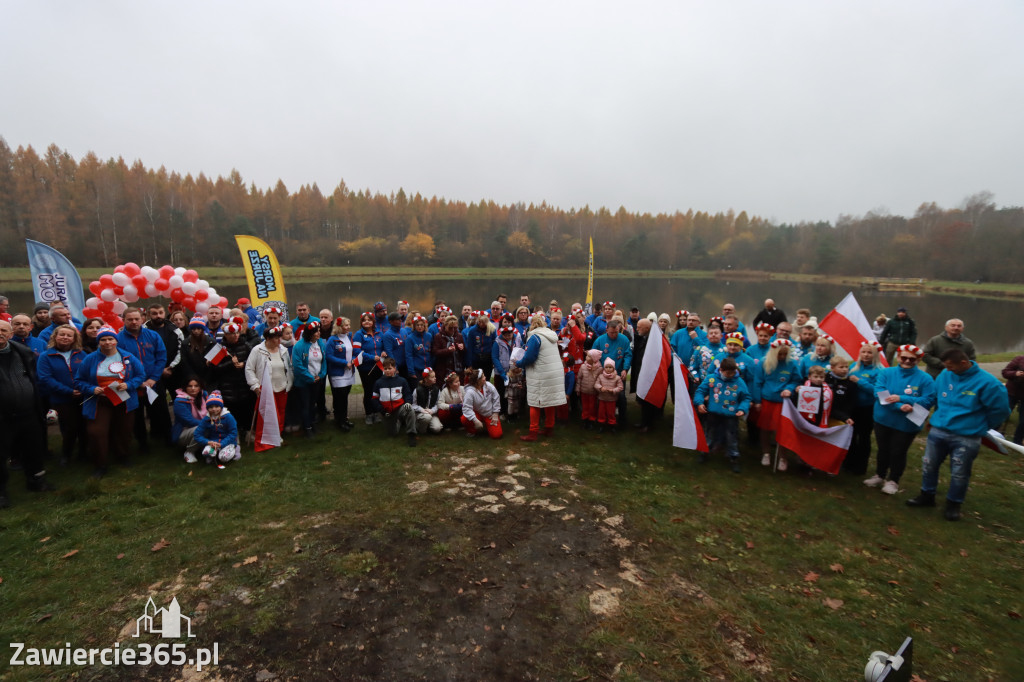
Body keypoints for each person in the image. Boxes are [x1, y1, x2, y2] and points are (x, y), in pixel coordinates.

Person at [906, 349, 1009, 521]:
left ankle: (953, 504)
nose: (948, 369)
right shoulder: (944, 376)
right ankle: (927, 495)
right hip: (939, 430)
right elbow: (936, 399)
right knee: (929, 464)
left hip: (966, 436)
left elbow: (1000, 410)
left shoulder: (988, 383)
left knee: (959, 472)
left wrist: (980, 426)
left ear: (963, 363)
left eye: (951, 366)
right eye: (946, 366)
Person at [864, 345, 936, 496]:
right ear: (898, 357)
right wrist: (899, 406)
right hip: (884, 418)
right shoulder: (886, 372)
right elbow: (879, 393)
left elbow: (929, 400)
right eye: (904, 358)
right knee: (883, 449)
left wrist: (902, 398)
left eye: (912, 359)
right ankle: (879, 475)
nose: (907, 361)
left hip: (907, 423)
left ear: (918, 360)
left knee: (898, 451)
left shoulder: (926, 379)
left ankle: (893, 480)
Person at [75, 325, 145, 478]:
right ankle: (100, 464)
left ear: (116, 341)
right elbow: (79, 380)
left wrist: (129, 384)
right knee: (96, 431)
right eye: (103, 340)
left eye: (110, 339)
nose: (107, 342)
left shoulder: (128, 357)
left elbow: (140, 375)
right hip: (99, 400)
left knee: (124, 430)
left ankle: (123, 456)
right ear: (98, 342)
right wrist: (91, 388)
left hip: (123, 398)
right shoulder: (90, 359)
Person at [0, 319, 55, 507]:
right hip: (2, 417)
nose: (0, 333)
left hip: (28, 411)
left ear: (10, 334)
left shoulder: (22, 352)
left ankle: (36, 481)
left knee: (33, 449)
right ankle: (1, 493)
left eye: (3, 330)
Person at [117, 308, 169, 451]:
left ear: (142, 319)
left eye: (136, 319)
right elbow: (117, 363)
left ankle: (167, 439)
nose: (134, 322)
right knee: (136, 415)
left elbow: (161, 357)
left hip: (153, 382)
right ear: (124, 320)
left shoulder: (152, 335)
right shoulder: (118, 339)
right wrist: (135, 382)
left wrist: (153, 378)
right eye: (130, 319)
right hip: (133, 385)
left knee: (161, 411)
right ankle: (142, 443)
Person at [36, 324, 88, 465]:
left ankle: (83, 453)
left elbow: (87, 373)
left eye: (69, 335)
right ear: (55, 337)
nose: (65, 337)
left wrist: (84, 388)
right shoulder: (45, 356)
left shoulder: (81, 354)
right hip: (62, 398)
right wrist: (68, 391)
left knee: (84, 426)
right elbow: (45, 378)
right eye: (62, 335)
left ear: (74, 338)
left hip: (83, 396)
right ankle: (66, 454)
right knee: (70, 428)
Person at [751, 339, 801, 471]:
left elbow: (796, 380)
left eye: (785, 354)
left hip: (782, 402)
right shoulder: (764, 362)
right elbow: (757, 382)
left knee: (782, 430)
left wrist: (789, 389)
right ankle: (766, 453)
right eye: (780, 354)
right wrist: (757, 401)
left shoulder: (792, 364)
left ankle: (782, 457)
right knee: (765, 428)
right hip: (766, 400)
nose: (782, 357)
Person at [694, 357, 750, 473]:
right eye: (727, 373)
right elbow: (700, 391)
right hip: (713, 413)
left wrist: (742, 409)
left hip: (731, 415)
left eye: (732, 372)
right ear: (721, 370)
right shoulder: (711, 379)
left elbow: (746, 398)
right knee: (709, 433)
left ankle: (733, 457)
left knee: (731, 436)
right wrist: (699, 403)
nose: (730, 375)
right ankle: (704, 452)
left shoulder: (739, 382)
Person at [515, 315, 566, 441]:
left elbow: (530, 358)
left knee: (535, 402)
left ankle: (533, 432)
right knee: (549, 401)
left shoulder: (535, 337)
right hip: (554, 372)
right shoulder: (551, 335)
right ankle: (549, 428)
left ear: (531, 326)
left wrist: (518, 363)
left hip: (542, 373)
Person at [244, 324, 293, 452]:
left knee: (281, 412)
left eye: (279, 338)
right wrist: (254, 385)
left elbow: (288, 366)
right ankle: (268, 437)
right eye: (276, 338)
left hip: (282, 386)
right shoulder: (257, 350)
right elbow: (249, 369)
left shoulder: (283, 350)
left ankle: (278, 435)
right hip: (266, 389)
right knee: (270, 414)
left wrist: (290, 382)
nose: (279, 340)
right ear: (268, 339)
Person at [208, 322, 253, 441]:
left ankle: (248, 431)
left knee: (246, 408)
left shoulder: (246, 345)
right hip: (227, 386)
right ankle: (234, 433)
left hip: (243, 384)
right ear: (226, 335)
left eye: (237, 333)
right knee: (232, 410)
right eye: (232, 334)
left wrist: (243, 364)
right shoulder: (219, 348)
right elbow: (213, 368)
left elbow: (253, 360)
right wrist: (230, 364)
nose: (235, 336)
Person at [844, 341, 883, 475]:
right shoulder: (854, 366)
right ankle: (848, 462)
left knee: (864, 437)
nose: (866, 355)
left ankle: (861, 467)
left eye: (869, 352)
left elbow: (877, 391)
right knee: (851, 435)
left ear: (875, 355)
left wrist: (860, 382)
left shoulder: (879, 371)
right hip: (852, 407)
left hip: (868, 408)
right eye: (863, 352)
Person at [291, 320, 327, 438]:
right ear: (309, 333)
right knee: (305, 405)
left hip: (317, 381)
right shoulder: (299, 346)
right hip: (304, 382)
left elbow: (324, 361)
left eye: (319, 331)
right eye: (316, 332)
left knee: (313, 404)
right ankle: (307, 428)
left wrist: (321, 375)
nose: (318, 333)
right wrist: (310, 377)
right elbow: (297, 365)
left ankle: (313, 424)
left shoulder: (320, 343)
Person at [371, 356, 418, 447]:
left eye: (390, 368)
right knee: (392, 434)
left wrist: (408, 402)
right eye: (385, 369)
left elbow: (408, 394)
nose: (387, 371)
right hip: (386, 411)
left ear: (394, 368)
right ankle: (398, 421)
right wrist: (382, 410)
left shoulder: (402, 381)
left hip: (399, 407)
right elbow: (374, 399)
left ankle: (411, 434)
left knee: (410, 410)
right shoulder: (378, 383)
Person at [325, 317, 356, 432]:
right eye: (346, 325)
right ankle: (340, 421)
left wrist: (352, 360)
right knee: (340, 398)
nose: (348, 327)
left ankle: (344, 418)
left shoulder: (349, 336)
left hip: (349, 372)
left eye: (349, 325)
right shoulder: (332, 340)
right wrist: (344, 363)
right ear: (339, 327)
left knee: (345, 396)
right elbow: (329, 356)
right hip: (338, 373)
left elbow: (352, 352)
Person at [353, 312, 384, 425]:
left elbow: (383, 346)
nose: (367, 322)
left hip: (379, 367)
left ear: (373, 322)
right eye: (364, 320)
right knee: (369, 391)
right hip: (366, 368)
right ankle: (369, 414)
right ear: (361, 322)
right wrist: (372, 357)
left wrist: (383, 352)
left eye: (369, 320)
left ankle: (376, 412)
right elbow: (356, 351)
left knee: (377, 391)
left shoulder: (379, 333)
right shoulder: (358, 335)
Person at [194, 390, 240, 464]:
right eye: (211, 407)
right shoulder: (206, 418)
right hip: (213, 442)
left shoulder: (228, 417)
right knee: (206, 453)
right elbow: (197, 434)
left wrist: (222, 443)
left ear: (221, 406)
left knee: (223, 458)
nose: (214, 409)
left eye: (217, 406)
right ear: (207, 408)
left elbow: (233, 433)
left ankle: (236, 448)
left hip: (227, 442)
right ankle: (214, 454)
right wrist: (208, 442)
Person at [172, 376, 207, 463]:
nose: (193, 388)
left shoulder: (204, 395)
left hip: (204, 424)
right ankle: (189, 451)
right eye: (190, 386)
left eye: (196, 386)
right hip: (185, 431)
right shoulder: (179, 401)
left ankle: (233, 448)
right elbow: (189, 421)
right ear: (185, 387)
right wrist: (209, 424)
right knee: (201, 429)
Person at [461, 367, 502, 439]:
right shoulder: (470, 392)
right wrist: (475, 420)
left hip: (489, 413)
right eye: (483, 377)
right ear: (478, 381)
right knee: (464, 418)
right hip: (477, 413)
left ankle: (487, 425)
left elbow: (496, 398)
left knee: (496, 435)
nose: (485, 378)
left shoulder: (488, 385)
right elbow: (466, 408)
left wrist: (495, 413)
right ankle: (472, 430)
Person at [592, 358, 624, 433]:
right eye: (606, 367)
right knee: (601, 412)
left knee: (611, 413)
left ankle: (612, 425)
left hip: (611, 399)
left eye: (610, 367)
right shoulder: (600, 376)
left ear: (613, 368)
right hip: (602, 398)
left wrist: (613, 390)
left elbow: (620, 387)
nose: (608, 369)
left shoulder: (617, 377)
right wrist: (600, 388)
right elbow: (596, 384)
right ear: (604, 368)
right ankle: (601, 425)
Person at [404, 314, 433, 392]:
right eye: (417, 325)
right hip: (416, 370)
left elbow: (432, 352)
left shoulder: (429, 336)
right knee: (418, 391)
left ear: (425, 326)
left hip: (428, 368)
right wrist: (411, 371)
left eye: (422, 325)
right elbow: (408, 355)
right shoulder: (410, 338)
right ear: (414, 326)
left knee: (428, 390)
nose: (420, 327)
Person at [1001, 354, 1024, 445]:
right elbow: (1005, 372)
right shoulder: (1019, 359)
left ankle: (1017, 441)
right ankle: (992, 434)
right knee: (1002, 413)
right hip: (1012, 393)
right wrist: (1015, 374)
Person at [465, 312, 496, 379]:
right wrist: (469, 364)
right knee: (476, 379)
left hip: (488, 360)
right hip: (476, 360)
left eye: (483, 322)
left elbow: (494, 347)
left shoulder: (492, 330)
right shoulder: (472, 331)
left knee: (486, 379)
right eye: (479, 322)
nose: (481, 324)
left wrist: (494, 361)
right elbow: (469, 348)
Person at [413, 368, 443, 434]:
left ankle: (427, 425)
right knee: (427, 417)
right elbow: (413, 405)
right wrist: (421, 410)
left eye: (435, 376)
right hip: (420, 413)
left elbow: (438, 403)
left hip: (431, 413)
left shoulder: (437, 390)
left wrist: (432, 410)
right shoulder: (417, 390)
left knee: (437, 428)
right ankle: (421, 430)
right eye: (432, 377)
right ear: (426, 379)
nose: (435, 378)